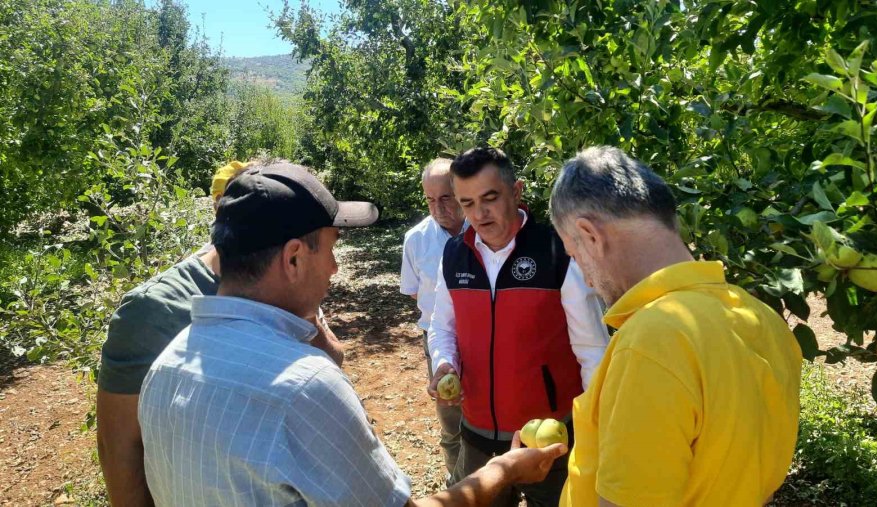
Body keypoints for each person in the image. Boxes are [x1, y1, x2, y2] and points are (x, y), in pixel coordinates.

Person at [138, 162, 567, 507]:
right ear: (292, 259)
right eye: (330, 248)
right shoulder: (303, 387)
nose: (335, 268)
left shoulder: (166, 366)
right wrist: (506, 470)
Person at [549, 146, 802, 506]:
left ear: (589, 235)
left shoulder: (653, 340)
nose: (587, 281)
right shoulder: (762, 318)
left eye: (574, 256)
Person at [96, 160, 342, 506]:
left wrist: (307, 316)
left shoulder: (283, 282)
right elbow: (120, 454)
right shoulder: (153, 311)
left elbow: (331, 363)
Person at [426, 147, 609, 506]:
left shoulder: (558, 251)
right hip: (477, 433)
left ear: (517, 191)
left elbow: (592, 351)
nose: (479, 214)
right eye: (467, 203)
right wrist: (444, 362)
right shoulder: (454, 254)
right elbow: (442, 325)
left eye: (489, 198)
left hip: (549, 437)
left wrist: (597, 430)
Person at [400, 158, 465, 477]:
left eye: (446, 197)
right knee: (451, 421)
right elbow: (414, 292)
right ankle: (457, 485)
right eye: (429, 199)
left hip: (483, 336)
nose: (437, 208)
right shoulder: (416, 239)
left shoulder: (483, 231)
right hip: (436, 339)